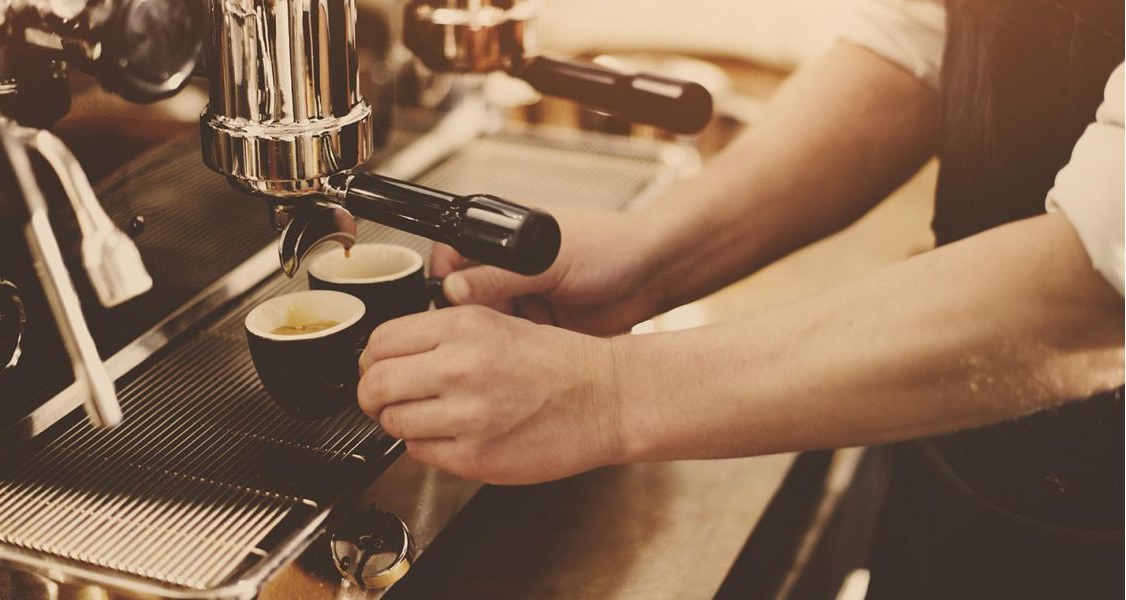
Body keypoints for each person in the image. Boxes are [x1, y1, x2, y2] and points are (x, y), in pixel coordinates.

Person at [357, 0, 1124, 596]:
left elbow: (1090, 287)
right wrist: (649, 254)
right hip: (967, 468)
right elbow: (934, 39)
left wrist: (606, 395)